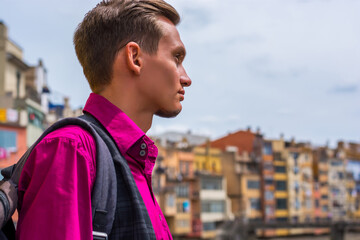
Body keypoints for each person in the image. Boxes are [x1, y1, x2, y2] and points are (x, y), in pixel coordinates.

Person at [15, 0, 191, 239]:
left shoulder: (132, 159)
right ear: (135, 57)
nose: (186, 77)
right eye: (177, 58)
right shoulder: (72, 148)